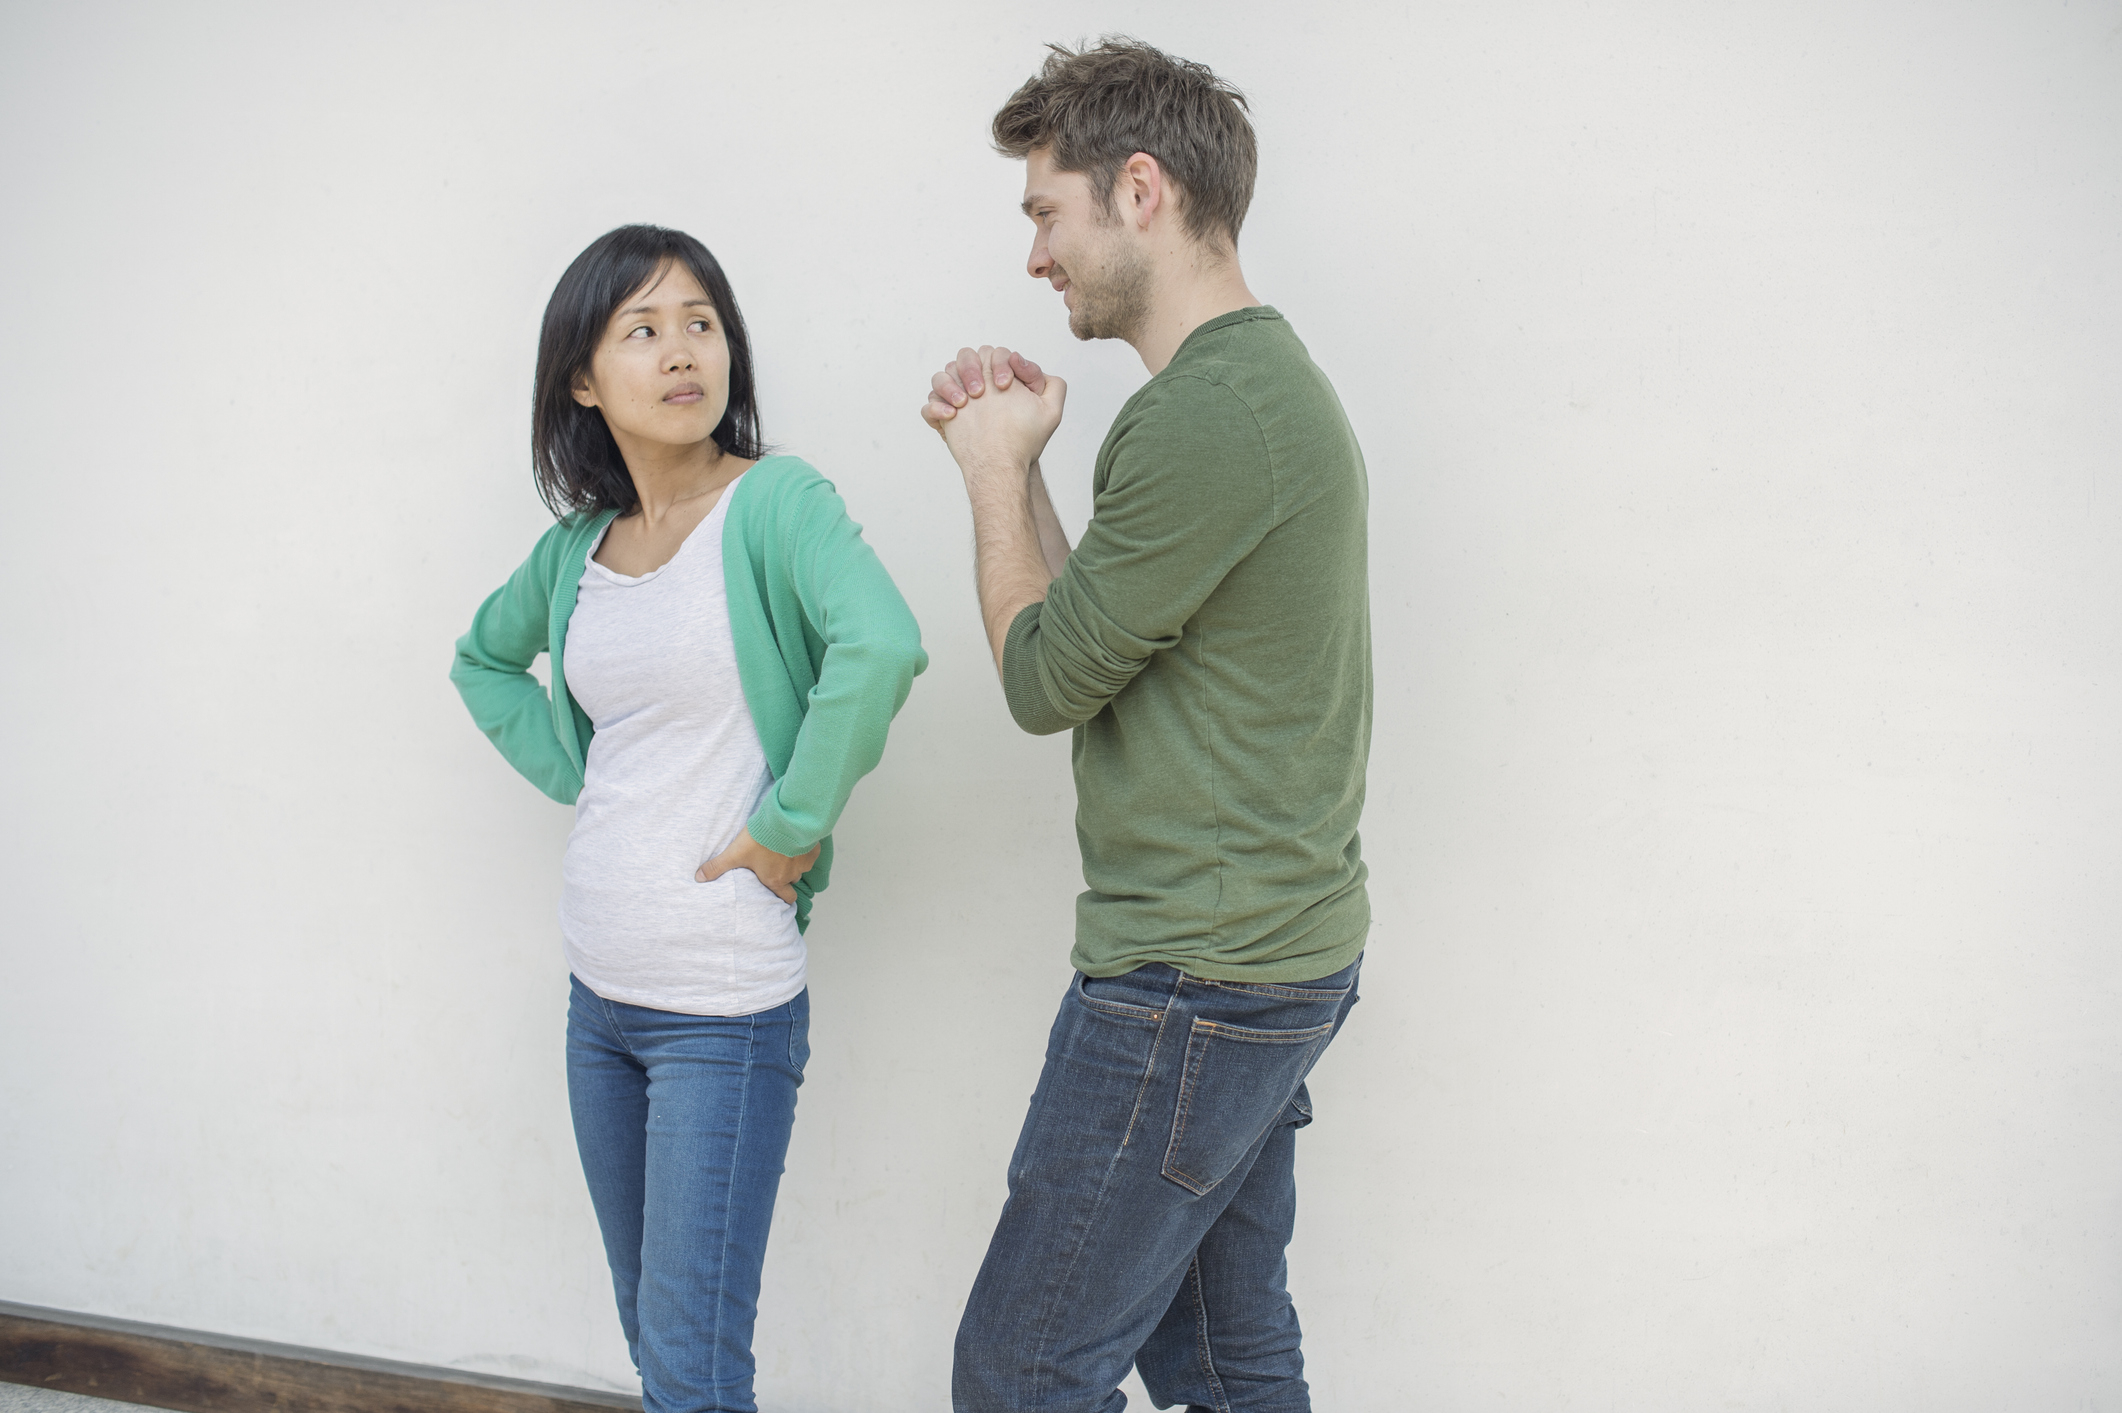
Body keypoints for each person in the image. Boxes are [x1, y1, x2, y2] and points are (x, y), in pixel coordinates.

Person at [920, 39, 1372, 1413]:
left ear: (1137, 189)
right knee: (1226, 1363)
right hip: (1264, 962)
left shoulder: (1203, 419)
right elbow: (1095, 648)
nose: (1036, 256)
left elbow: (1041, 682)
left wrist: (990, 477)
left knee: (1018, 1371)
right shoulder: (1245, 393)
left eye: (1043, 213)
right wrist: (1034, 468)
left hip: (1191, 981)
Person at [452, 224, 925, 1413]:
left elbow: (882, 645)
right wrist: (591, 782)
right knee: (655, 1341)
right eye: (643, 329)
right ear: (581, 377)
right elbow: (482, 664)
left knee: (692, 1369)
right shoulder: (576, 551)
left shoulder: (775, 503)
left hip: (720, 1009)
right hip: (596, 1002)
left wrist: (790, 821)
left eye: (701, 323)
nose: (682, 352)